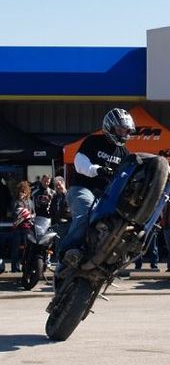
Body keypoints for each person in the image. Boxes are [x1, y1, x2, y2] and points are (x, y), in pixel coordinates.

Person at [59, 108, 135, 266]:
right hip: (82, 188)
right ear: (110, 127)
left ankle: (105, 256)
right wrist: (97, 169)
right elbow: (79, 163)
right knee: (86, 213)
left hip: (105, 195)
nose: (123, 133)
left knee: (117, 220)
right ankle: (67, 253)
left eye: (126, 130)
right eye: (120, 129)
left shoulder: (125, 154)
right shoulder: (93, 141)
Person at [11, 181, 35, 272]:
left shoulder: (30, 201)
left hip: (28, 228)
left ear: (27, 192)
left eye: (24, 192)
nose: (22, 193)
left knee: (27, 249)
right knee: (16, 248)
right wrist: (22, 213)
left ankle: (26, 267)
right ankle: (15, 268)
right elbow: (13, 213)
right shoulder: (15, 201)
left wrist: (30, 216)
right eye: (21, 191)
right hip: (17, 228)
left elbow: (34, 213)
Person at [49, 176, 71, 261]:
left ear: (63, 184)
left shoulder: (69, 195)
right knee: (59, 247)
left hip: (69, 224)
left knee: (69, 245)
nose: (58, 187)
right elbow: (52, 210)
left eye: (59, 185)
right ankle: (59, 265)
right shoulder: (55, 197)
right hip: (58, 225)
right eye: (56, 185)